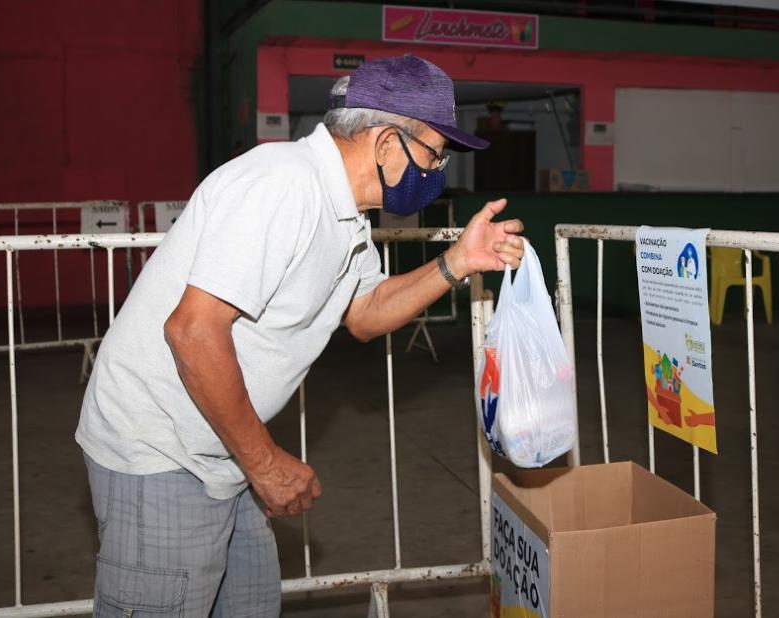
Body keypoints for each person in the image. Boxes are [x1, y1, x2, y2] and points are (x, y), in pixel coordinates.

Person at [75, 54, 525, 616]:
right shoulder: (282, 186)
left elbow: (366, 312)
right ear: (387, 144)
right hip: (161, 450)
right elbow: (192, 331)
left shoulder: (349, 216)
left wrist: (456, 262)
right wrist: (263, 463)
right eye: (434, 155)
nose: (437, 172)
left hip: (220, 449)